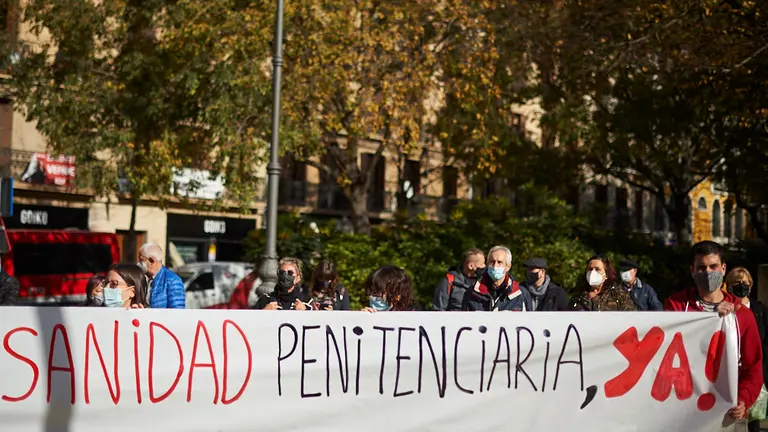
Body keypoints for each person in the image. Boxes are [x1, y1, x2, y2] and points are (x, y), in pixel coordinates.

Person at [664, 241, 762, 422]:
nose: (708, 272)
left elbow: (753, 366)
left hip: (726, 410)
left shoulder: (742, 315)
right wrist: (712, 318)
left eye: (713, 266)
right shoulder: (675, 307)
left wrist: (743, 400)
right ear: (692, 270)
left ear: (723, 269)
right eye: (701, 267)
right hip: (683, 407)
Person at [726, 266, 768, 432]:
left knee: (754, 419)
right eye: (737, 282)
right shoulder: (725, 309)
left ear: (750, 285)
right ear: (729, 286)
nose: (741, 286)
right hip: (732, 374)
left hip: (755, 371)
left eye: (744, 282)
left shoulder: (760, 310)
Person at [462, 246, 532, 312]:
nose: (495, 266)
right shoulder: (472, 292)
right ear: (487, 264)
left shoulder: (521, 294)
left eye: (499, 262)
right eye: (492, 262)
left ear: (508, 266)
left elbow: (530, 319)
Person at [570, 255, 636, 311]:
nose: (593, 272)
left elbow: (631, 317)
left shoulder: (618, 295)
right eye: (590, 269)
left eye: (597, 269)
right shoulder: (578, 297)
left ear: (606, 274)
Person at [138, 243, 185, 309]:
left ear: (151, 261)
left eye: (141, 260)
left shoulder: (172, 280)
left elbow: (177, 310)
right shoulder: (141, 277)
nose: (138, 263)